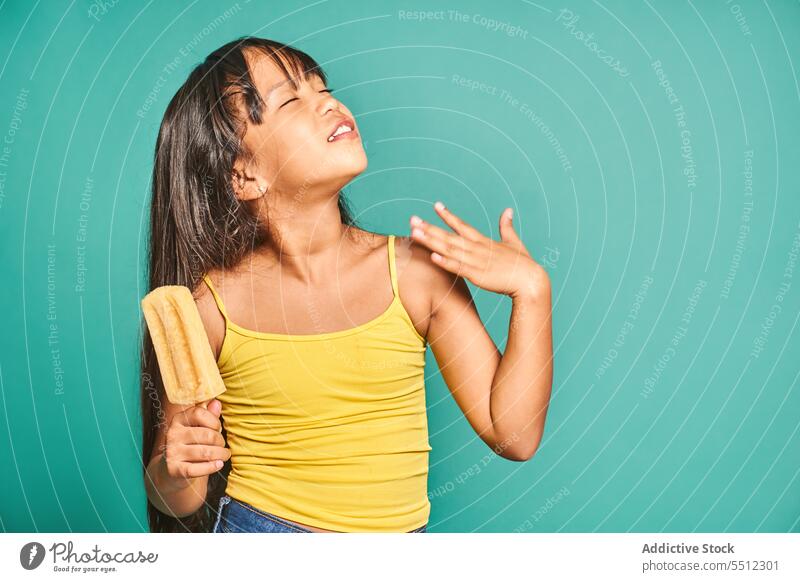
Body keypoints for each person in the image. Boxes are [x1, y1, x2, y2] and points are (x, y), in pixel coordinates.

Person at [140, 36, 553, 534]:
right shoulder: (209, 307)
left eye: (323, 89)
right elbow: (178, 498)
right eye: (292, 99)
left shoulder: (418, 273)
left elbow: (515, 435)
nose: (330, 103)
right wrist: (172, 467)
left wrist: (531, 290)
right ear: (244, 176)